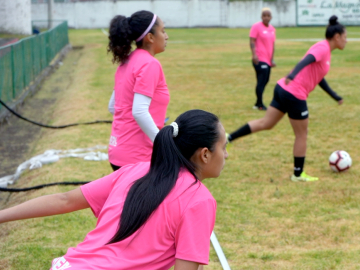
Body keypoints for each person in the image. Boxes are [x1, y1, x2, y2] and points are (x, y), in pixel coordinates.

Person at [0, 109, 228, 270]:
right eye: (223, 147)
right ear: (205, 154)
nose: (226, 155)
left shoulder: (136, 170)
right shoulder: (199, 201)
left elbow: (64, 200)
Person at [228, 15, 346, 182]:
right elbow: (306, 60)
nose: (346, 41)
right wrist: (292, 74)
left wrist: (335, 96)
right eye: (345, 37)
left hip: (283, 89)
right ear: (337, 37)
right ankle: (298, 174)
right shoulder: (323, 48)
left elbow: (318, 77)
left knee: (266, 123)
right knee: (302, 134)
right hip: (294, 93)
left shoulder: (325, 50)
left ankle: (228, 138)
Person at [107, 10, 170, 171]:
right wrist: (164, 145)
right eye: (162, 31)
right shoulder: (149, 64)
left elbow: (113, 106)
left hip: (118, 153)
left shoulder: (127, 61)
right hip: (138, 158)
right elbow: (139, 111)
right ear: (150, 37)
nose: (166, 36)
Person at [249, 7, 276, 111]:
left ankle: (257, 102)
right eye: (264, 15)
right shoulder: (256, 27)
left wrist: (272, 59)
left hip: (268, 60)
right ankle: (260, 104)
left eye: (268, 15)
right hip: (259, 59)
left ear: (271, 17)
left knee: (266, 80)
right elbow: (252, 41)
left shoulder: (272, 29)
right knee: (261, 81)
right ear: (261, 16)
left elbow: (272, 45)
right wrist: (254, 55)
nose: (266, 17)